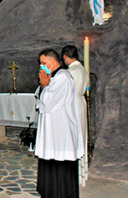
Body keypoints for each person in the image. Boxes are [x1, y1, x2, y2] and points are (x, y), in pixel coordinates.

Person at [35, 49, 84, 198]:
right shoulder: (53, 76)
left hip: (60, 129)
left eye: (43, 63)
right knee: (50, 159)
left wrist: (44, 86)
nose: (41, 66)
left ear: (52, 61)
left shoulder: (63, 77)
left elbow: (48, 102)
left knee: (59, 161)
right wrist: (43, 87)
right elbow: (38, 96)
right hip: (51, 128)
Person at [61, 45, 90, 186]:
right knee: (80, 137)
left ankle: (72, 173)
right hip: (80, 103)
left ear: (65, 57)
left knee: (73, 138)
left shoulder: (71, 72)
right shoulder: (82, 69)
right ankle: (80, 172)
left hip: (72, 105)